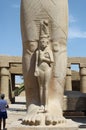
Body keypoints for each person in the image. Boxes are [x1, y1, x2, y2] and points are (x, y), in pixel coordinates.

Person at [34, 21, 54, 112]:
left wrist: (44, 58)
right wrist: (36, 70)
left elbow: (52, 61)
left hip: (47, 69)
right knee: (40, 87)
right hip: (40, 69)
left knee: (46, 86)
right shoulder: (38, 52)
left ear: (47, 42)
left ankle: (46, 105)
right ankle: (41, 105)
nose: (42, 43)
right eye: (41, 41)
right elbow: (36, 63)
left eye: (44, 41)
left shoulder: (49, 51)